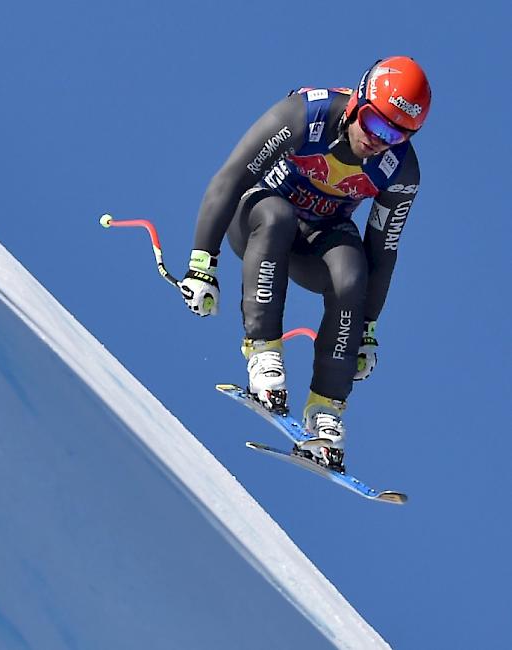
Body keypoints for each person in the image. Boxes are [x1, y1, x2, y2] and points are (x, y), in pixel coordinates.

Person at [179, 56, 431, 466]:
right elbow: (230, 177)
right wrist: (202, 261)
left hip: (318, 236)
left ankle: (326, 412)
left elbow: (383, 249)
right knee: (277, 216)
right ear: (357, 101)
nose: (378, 139)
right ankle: (264, 353)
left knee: (353, 272)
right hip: (259, 220)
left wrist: (367, 329)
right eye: (373, 122)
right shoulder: (307, 114)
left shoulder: (400, 169)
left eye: (395, 135)